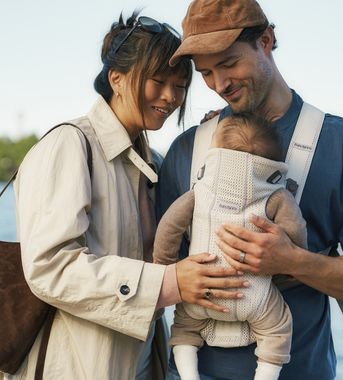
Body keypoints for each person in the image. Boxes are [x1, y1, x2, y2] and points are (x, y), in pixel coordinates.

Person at [6, 10, 248, 380]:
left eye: (180, 85)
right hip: (73, 366)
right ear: (116, 79)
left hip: (142, 362)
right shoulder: (69, 145)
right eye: (158, 80)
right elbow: (50, 266)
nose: (170, 97)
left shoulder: (155, 163)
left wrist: (215, 143)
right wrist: (169, 284)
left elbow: (187, 243)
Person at [157, 0, 343, 379]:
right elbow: (157, 266)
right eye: (206, 73)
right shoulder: (187, 150)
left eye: (229, 64)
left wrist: (292, 261)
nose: (219, 84)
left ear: (266, 40)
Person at [154, 113, 308, 380]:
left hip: (202, 290)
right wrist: (294, 257)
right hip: (255, 295)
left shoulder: (199, 191)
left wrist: (164, 265)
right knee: (277, 329)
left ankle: (189, 375)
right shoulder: (275, 195)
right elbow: (296, 231)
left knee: (184, 328)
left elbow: (169, 226)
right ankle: (266, 375)